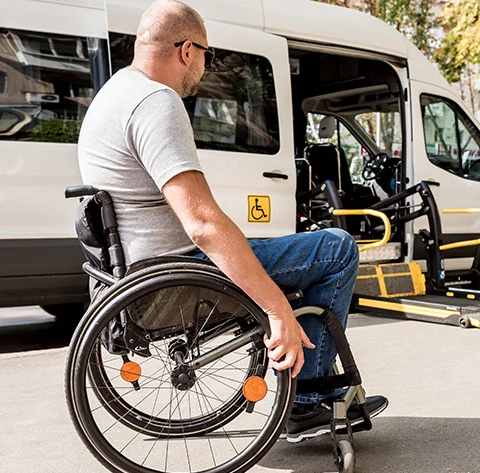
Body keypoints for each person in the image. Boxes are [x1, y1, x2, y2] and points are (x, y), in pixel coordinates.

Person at [76, 0, 386, 443]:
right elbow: (201, 223)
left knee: (268, 243)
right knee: (335, 247)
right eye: (207, 55)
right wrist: (276, 309)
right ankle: (307, 400)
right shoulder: (155, 102)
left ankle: (308, 381)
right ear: (186, 51)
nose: (205, 66)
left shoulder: (111, 96)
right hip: (179, 274)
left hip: (136, 274)